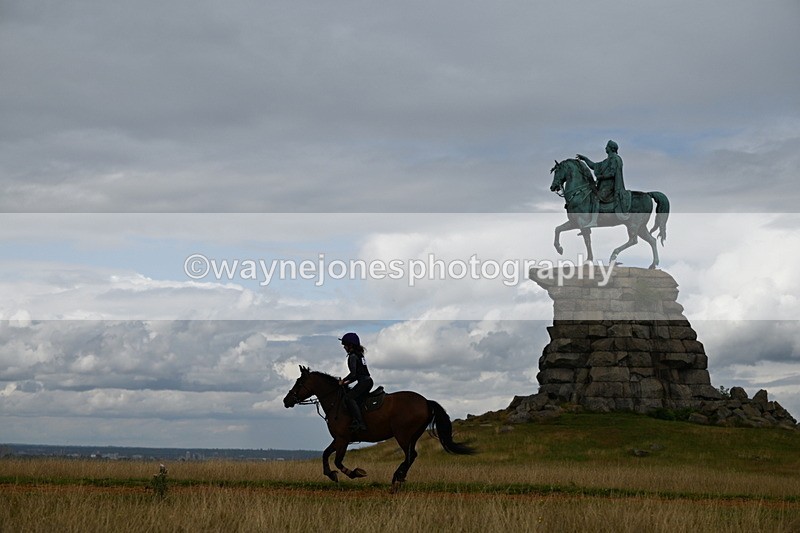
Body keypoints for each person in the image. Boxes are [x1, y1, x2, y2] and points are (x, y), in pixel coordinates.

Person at [576, 140, 631, 220]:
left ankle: (594, 221)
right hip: (604, 186)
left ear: (611, 148)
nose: (605, 148)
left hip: (610, 187)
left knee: (595, 198)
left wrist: (601, 177)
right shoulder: (607, 160)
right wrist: (585, 159)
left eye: (607, 146)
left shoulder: (615, 159)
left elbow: (612, 174)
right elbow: (594, 165)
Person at [338, 332, 372, 431]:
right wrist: (346, 383)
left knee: (348, 398)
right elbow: (356, 375)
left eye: (345, 345)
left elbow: (353, 374)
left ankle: (360, 423)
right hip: (367, 381)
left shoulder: (352, 356)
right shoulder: (359, 354)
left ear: (350, 345)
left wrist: (343, 381)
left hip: (363, 383)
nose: (344, 347)